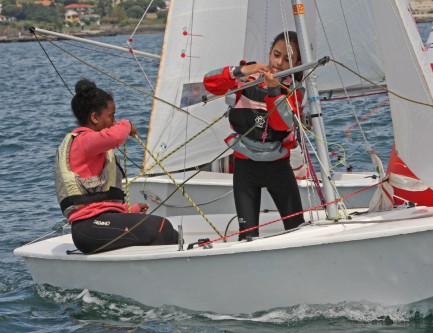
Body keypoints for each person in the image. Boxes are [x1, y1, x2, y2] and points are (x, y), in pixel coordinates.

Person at [55, 79, 178, 254]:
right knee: (161, 227)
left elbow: (99, 200)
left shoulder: (94, 146)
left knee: (173, 234)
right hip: (88, 228)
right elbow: (115, 137)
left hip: (100, 222)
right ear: (95, 118)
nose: (114, 121)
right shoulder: (83, 141)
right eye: (111, 116)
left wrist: (129, 211)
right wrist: (127, 125)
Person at [203, 31, 305, 240]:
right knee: (247, 237)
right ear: (269, 52)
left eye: (288, 59)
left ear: (297, 62)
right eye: (276, 54)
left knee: (297, 229)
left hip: (278, 166)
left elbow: (282, 123)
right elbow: (209, 83)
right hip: (245, 166)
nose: (279, 63)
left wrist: (274, 91)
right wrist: (240, 70)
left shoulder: (294, 90)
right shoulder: (246, 78)